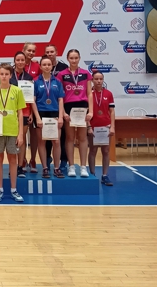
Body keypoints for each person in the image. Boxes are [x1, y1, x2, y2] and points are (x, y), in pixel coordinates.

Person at [0, 63, 25, 202]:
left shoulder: (17, 91)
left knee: (13, 159)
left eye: (6, 74)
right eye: (1, 74)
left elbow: (20, 113)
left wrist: (20, 134)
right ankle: (0, 189)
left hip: (12, 130)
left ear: (11, 75)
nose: (4, 76)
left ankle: (14, 189)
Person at [57, 48, 93, 177]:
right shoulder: (62, 74)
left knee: (82, 138)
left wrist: (91, 111)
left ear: (79, 58)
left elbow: (89, 93)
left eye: (76, 58)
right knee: (70, 138)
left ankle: (83, 167)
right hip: (68, 107)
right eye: (71, 58)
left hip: (82, 107)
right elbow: (60, 96)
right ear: (67, 59)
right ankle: (71, 166)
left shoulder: (85, 74)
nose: (73, 60)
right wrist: (63, 113)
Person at [31, 56, 65, 178]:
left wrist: (61, 117)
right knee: (42, 142)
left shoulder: (57, 81)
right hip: (41, 113)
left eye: (49, 64)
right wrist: (37, 118)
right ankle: (45, 168)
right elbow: (33, 101)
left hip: (54, 113)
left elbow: (60, 100)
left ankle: (56, 168)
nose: (46, 67)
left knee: (56, 141)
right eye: (44, 64)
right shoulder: (35, 81)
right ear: (40, 67)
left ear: (52, 66)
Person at [88, 71, 115, 186]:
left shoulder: (108, 93)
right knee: (93, 151)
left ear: (103, 80)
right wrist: (88, 126)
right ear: (92, 80)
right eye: (96, 79)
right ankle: (92, 174)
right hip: (93, 127)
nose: (98, 81)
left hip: (105, 126)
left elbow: (112, 111)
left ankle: (105, 175)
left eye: (101, 79)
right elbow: (86, 111)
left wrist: (112, 126)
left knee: (106, 151)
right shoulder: (89, 93)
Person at [11, 51, 33, 176]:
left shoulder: (29, 77)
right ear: (14, 61)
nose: (20, 62)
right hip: (11, 112)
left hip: (24, 111)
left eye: (22, 60)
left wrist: (31, 113)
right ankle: (13, 166)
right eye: (18, 60)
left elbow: (31, 98)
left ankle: (20, 166)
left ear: (25, 62)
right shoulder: (9, 75)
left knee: (22, 139)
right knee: (12, 139)